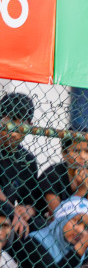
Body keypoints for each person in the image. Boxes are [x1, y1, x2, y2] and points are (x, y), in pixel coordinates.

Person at [0, 92, 41, 236]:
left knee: (37, 224)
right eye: (10, 121)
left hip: (10, 222)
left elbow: (29, 201)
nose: (13, 132)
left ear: (30, 126)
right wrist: (12, 213)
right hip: (5, 216)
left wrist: (26, 210)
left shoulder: (27, 161)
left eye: (21, 125)